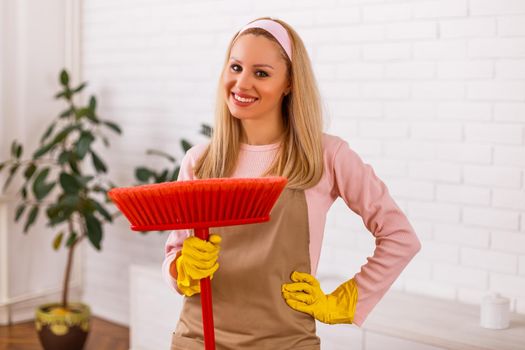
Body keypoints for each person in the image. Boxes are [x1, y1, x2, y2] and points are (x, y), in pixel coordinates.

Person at [162, 16, 421, 350]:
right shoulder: (200, 161)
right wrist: (182, 268)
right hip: (199, 340)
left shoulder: (326, 155)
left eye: (261, 73)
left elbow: (400, 237)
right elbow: (174, 256)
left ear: (289, 83)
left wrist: (346, 300)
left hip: (285, 342)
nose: (241, 84)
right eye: (236, 67)